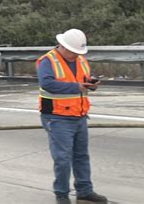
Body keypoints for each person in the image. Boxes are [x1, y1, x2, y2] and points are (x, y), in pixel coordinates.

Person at [36, 29, 108, 204]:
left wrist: (90, 84)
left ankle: (84, 191)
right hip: (57, 117)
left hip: (79, 115)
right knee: (62, 158)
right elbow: (47, 84)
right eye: (73, 51)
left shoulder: (80, 60)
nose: (76, 55)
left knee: (81, 155)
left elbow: (81, 80)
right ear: (62, 46)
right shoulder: (47, 61)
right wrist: (77, 87)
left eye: (78, 52)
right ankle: (61, 194)